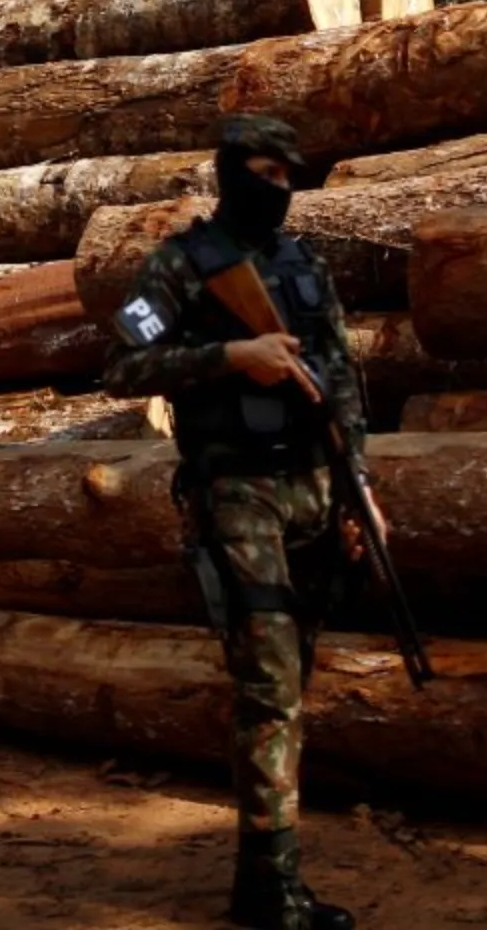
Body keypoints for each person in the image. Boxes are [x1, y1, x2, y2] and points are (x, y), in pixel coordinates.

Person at [102, 114, 365, 930]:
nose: (278, 190)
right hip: (238, 490)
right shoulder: (180, 266)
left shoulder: (304, 262)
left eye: (289, 177)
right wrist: (227, 358)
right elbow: (118, 364)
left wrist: (359, 485)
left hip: (317, 487)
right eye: (264, 173)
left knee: (295, 680)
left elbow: (343, 374)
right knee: (270, 689)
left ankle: (267, 875)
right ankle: (270, 884)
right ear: (230, 174)